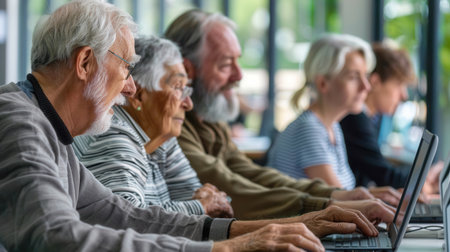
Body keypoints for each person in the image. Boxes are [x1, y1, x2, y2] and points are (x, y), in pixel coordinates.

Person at [0, 1, 383, 251]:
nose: (131, 86)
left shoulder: (48, 125)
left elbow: (122, 214)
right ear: (85, 64)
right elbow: (56, 238)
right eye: (127, 68)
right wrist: (225, 248)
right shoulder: (20, 121)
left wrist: (283, 226)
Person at [165, 9, 398, 221]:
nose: (239, 76)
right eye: (226, 64)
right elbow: (226, 184)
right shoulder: (171, 125)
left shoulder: (211, 121)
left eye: (238, 61)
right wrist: (330, 203)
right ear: (187, 70)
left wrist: (336, 196)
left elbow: (248, 172)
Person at [73, 36, 233, 218]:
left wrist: (204, 205)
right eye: (178, 87)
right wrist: (200, 207)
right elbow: (128, 220)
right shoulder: (113, 138)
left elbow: (199, 201)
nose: (188, 104)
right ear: (139, 95)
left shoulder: (162, 140)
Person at [340, 42, 443, 191]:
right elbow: (384, 175)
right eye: (399, 85)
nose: (404, 95)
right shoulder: (355, 119)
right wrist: (427, 183)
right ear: (375, 82)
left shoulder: (371, 119)